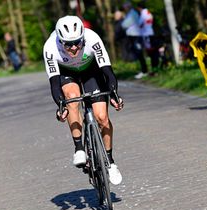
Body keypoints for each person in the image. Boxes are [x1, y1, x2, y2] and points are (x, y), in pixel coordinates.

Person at [43, 15, 124, 185]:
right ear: (59, 40)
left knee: (102, 117)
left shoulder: (93, 38)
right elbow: (54, 83)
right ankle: (79, 148)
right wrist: (60, 105)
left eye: (78, 42)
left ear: (83, 37)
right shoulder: (50, 47)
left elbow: (107, 71)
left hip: (91, 71)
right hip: (66, 73)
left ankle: (110, 162)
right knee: (71, 99)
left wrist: (114, 95)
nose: (73, 48)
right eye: (68, 44)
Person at [121, 2, 148, 79]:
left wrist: (123, 20)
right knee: (138, 53)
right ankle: (143, 70)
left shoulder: (132, 14)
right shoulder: (130, 13)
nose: (124, 9)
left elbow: (125, 25)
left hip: (136, 36)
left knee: (139, 53)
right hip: (132, 36)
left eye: (125, 7)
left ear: (128, 7)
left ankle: (144, 71)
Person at [137, 2, 160, 76]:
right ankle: (154, 69)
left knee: (151, 53)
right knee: (153, 52)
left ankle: (154, 70)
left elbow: (139, 25)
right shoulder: (149, 13)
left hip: (146, 35)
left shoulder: (143, 14)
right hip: (151, 33)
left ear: (139, 8)